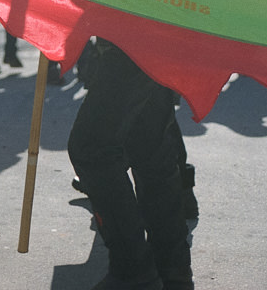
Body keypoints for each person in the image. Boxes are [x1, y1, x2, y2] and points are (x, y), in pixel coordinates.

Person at [68, 39, 194, 290]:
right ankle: (171, 270)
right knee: (150, 151)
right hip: (154, 30)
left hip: (132, 33)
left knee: (92, 149)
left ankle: (133, 271)